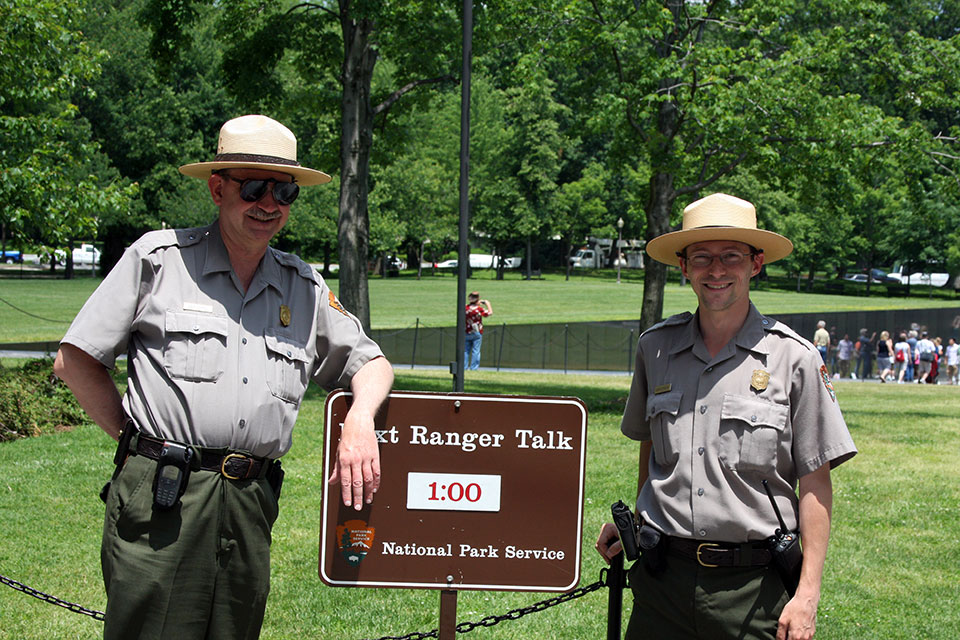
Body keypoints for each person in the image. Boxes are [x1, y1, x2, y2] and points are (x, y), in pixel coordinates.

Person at [53, 115, 394, 640]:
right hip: (163, 494)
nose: (269, 204)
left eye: (284, 191)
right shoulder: (159, 261)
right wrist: (134, 440)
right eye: (254, 187)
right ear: (218, 189)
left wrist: (361, 420)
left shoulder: (302, 287)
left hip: (250, 500)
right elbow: (75, 361)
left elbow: (372, 364)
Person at [595, 193, 856, 640]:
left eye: (731, 256)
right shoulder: (655, 348)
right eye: (702, 257)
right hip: (662, 585)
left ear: (756, 263)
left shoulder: (794, 358)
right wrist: (638, 523)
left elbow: (815, 483)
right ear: (684, 267)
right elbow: (651, 450)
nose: (716, 270)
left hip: (753, 591)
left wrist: (808, 594)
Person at [464, 291, 493, 370]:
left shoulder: (466, 308)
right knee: (476, 351)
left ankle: (464, 367)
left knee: (466, 351)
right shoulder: (479, 309)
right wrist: (487, 303)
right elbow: (490, 313)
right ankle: (473, 368)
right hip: (477, 332)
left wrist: (477, 303)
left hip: (467, 331)